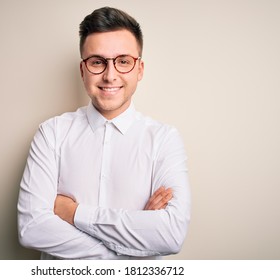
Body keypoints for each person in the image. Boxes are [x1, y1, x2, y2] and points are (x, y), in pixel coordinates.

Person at [17, 6, 191, 260]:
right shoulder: (51, 133)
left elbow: (171, 235)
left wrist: (74, 213)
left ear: (139, 69)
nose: (110, 76)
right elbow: (32, 229)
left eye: (123, 61)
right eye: (97, 62)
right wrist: (130, 245)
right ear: (83, 70)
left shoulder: (164, 139)